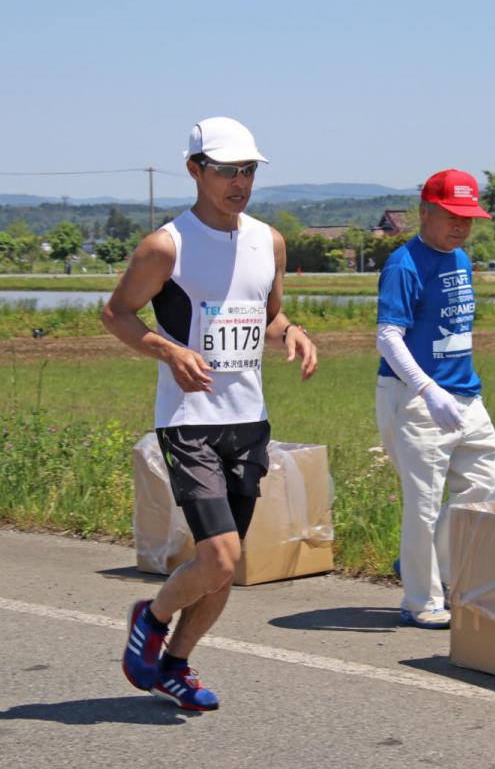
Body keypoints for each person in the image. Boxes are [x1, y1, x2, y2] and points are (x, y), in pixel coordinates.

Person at [102, 116, 318, 709]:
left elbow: (267, 314)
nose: (239, 182)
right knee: (220, 554)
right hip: (188, 420)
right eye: (226, 170)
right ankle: (151, 615)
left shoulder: (268, 240)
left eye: (248, 170)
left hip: (248, 419)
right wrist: (169, 351)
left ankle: (175, 665)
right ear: (195, 170)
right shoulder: (165, 245)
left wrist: (292, 332)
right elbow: (118, 314)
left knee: (223, 567)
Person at [374, 169, 495, 629]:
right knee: (424, 504)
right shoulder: (405, 265)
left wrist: (453, 388)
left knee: (486, 495)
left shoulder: (462, 260)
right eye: (453, 216)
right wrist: (428, 390)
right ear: (425, 212)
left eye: (469, 218)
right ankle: (420, 598)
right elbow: (389, 336)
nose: (461, 227)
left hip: (466, 395)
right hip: (416, 397)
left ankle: (430, 566)